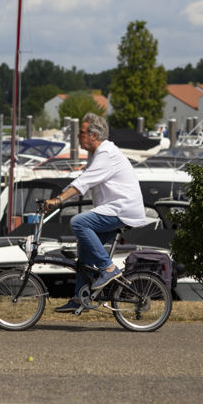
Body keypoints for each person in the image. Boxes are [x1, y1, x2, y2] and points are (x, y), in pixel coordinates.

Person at [44, 113, 146, 313]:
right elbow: (83, 180)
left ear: (94, 135)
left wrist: (58, 200)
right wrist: (61, 198)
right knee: (84, 249)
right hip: (114, 207)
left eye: (82, 133)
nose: (78, 137)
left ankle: (108, 268)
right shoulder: (96, 155)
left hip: (121, 208)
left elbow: (84, 183)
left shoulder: (106, 154)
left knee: (78, 223)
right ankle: (80, 298)